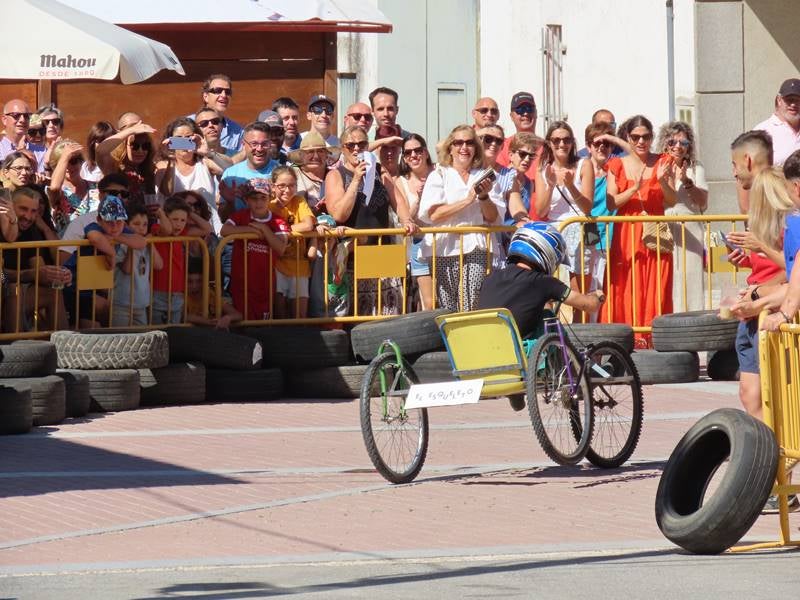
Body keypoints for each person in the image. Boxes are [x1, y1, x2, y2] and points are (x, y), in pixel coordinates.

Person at [476, 222, 605, 410]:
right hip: (520, 353)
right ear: (547, 252)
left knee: (535, 311)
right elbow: (587, 305)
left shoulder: (490, 278)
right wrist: (598, 296)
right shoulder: (544, 282)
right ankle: (569, 370)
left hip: (485, 350)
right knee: (547, 316)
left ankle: (517, 391)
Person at [325, 125, 415, 316]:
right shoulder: (336, 174)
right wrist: (356, 180)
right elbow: (339, 214)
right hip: (352, 255)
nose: (356, 149)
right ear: (343, 149)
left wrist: (407, 220)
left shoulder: (379, 170)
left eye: (362, 144)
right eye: (350, 145)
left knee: (387, 309)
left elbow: (397, 199)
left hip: (382, 250)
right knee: (358, 311)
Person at [602, 115, 676, 345]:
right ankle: (626, 336)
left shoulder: (664, 161)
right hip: (627, 230)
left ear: (652, 137)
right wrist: (633, 189)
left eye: (645, 136)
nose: (641, 141)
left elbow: (671, 200)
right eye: (635, 137)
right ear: (628, 138)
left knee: (656, 282)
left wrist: (663, 181)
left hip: (654, 227)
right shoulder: (617, 164)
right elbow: (611, 202)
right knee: (626, 282)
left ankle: (653, 336)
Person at [418, 125, 504, 311]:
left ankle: (469, 339)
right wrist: (467, 200)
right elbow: (433, 214)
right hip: (444, 246)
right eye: (459, 142)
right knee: (447, 304)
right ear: (450, 147)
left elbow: (493, 217)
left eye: (469, 143)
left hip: (476, 244)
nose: (464, 147)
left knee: (470, 299)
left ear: (476, 148)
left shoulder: (484, 175)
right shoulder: (439, 174)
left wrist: (483, 196)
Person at [534, 121, 595, 321]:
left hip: (578, 228)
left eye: (566, 139)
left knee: (578, 292)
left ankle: (580, 339)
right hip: (553, 232)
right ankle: (553, 336)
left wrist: (570, 186)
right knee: (548, 291)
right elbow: (541, 210)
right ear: (549, 143)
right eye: (557, 140)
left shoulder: (583, 164)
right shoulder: (543, 169)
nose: (562, 144)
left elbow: (587, 207)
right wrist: (551, 185)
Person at [62, 194, 146, 328]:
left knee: (99, 324)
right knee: (87, 329)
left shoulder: (120, 230)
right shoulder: (93, 226)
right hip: (75, 282)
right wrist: (111, 254)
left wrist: (117, 238)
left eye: (119, 221)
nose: (114, 226)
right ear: (99, 220)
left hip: (94, 284)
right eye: (109, 222)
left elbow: (141, 242)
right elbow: (95, 238)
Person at [1, 186, 70, 333]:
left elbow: (39, 271)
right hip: (5, 288)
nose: (29, 216)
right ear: (10, 207)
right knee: (14, 290)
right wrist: (31, 274)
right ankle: (17, 351)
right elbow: (2, 275)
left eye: (34, 211)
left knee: (53, 292)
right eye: (23, 209)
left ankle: (64, 348)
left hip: (14, 293)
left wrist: (58, 274)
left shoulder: (31, 230)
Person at [288, 131, 341, 317]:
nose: (315, 156)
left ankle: (330, 318)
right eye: (310, 152)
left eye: (320, 151)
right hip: (300, 242)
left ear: (327, 155)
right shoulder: (293, 175)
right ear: (301, 156)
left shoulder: (335, 175)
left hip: (332, 241)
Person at [656, 121, 709, 312]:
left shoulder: (696, 168)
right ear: (664, 143)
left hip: (690, 227)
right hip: (664, 226)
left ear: (689, 147)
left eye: (683, 143)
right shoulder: (657, 166)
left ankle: (692, 322)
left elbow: (703, 202)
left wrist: (687, 181)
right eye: (672, 142)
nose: (677, 147)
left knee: (691, 277)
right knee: (667, 277)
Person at [220, 181, 290, 320]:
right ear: (246, 200)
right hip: (241, 281)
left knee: (262, 324)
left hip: (264, 283)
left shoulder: (278, 221)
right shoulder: (240, 216)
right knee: (241, 320)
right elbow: (224, 230)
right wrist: (251, 229)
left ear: (270, 198)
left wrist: (264, 229)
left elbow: (281, 248)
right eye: (254, 198)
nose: (258, 202)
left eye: (263, 198)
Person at [150, 195, 212, 324]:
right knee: (158, 331)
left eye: (183, 220)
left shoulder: (184, 233)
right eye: (175, 219)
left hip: (177, 292)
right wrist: (161, 214)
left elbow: (207, 228)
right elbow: (167, 230)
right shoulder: (157, 229)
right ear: (165, 217)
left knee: (176, 330)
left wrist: (189, 212)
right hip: (158, 291)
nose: (179, 224)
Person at [154, 117, 221, 234]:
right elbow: (167, 192)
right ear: (169, 141)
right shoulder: (163, 165)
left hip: (207, 233)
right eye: (179, 139)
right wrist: (171, 158)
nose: (184, 143)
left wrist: (208, 152)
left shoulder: (205, 163)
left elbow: (229, 170)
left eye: (189, 138)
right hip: (176, 235)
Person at [268, 167, 315, 318]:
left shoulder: (299, 201)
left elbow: (308, 225)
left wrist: (282, 232)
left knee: (300, 314)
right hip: (277, 264)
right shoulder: (269, 205)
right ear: (273, 186)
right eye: (282, 186)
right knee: (279, 308)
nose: (287, 190)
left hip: (299, 264)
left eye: (291, 185)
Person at [395, 133, 435, 310]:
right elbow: (406, 218)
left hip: (446, 243)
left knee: (448, 299)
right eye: (408, 152)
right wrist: (420, 200)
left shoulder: (439, 173)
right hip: (419, 245)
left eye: (418, 150)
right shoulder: (400, 181)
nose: (413, 155)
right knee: (429, 303)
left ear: (426, 152)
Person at [112, 201, 162, 326]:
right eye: (136, 224)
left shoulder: (147, 244)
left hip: (141, 303)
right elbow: (127, 269)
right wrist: (132, 245)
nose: (141, 228)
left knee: (141, 338)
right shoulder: (121, 245)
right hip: (121, 303)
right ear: (126, 225)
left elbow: (159, 265)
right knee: (120, 339)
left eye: (145, 224)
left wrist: (151, 244)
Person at [219, 122, 280, 220]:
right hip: (239, 233)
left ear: (270, 144)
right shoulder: (231, 174)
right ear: (243, 144)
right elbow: (223, 218)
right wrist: (230, 202)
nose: (259, 149)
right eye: (254, 144)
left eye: (264, 144)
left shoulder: (282, 173)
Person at [95, 120, 157, 206]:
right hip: (119, 218)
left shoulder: (147, 171)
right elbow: (100, 151)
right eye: (134, 145)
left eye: (145, 146)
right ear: (124, 146)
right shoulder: (114, 168)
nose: (140, 151)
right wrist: (131, 131)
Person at [46, 139, 95, 234]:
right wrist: (65, 156)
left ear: (81, 162)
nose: (69, 167)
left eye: (73, 161)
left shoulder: (97, 187)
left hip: (95, 246)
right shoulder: (54, 191)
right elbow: (55, 187)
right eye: (63, 162)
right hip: (66, 246)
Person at [191, 74, 243, 155]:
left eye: (228, 92)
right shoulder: (188, 123)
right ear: (206, 96)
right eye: (217, 91)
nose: (224, 95)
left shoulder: (238, 131)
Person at [185, 257, 242, 329]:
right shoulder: (181, 296)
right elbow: (185, 317)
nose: (194, 286)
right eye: (189, 281)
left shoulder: (211, 295)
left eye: (199, 281)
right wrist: (209, 322)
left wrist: (228, 318)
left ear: (206, 279)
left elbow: (238, 315)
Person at [754, 78, 800, 166]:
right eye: (789, 99)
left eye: (798, 100)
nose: (793, 104)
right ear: (779, 100)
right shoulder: (762, 131)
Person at [496, 91, 539, 179]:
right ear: (511, 116)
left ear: (536, 113)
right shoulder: (502, 146)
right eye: (520, 110)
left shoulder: (548, 147)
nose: (526, 113)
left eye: (530, 108)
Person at [0, 99, 45, 170]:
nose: (22, 120)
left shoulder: (42, 152)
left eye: (26, 116)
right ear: (4, 120)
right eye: (16, 115)